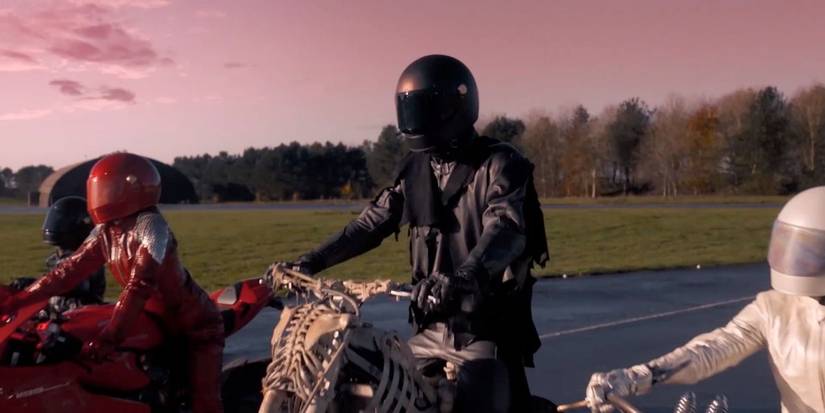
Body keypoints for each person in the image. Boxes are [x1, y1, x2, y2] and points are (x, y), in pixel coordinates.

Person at [287, 54, 549, 413]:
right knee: (380, 396)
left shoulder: (499, 164)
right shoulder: (417, 169)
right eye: (411, 110)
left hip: (482, 327)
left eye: (426, 108)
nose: (417, 121)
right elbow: (369, 224)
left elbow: (506, 227)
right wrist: (311, 261)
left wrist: (464, 276)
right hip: (427, 327)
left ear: (456, 106)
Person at [0, 153, 225, 413]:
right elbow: (66, 273)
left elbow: (139, 286)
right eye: (99, 188)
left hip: (192, 322)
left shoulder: (152, 228)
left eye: (106, 188)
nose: (100, 195)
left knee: (205, 403)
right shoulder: (108, 230)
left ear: (129, 189)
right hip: (146, 314)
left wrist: (109, 339)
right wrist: (18, 300)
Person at [585, 186, 825, 413]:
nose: (799, 260)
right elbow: (713, 349)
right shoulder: (773, 308)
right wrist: (637, 377)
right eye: (794, 248)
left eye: (812, 254)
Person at [9, 196, 107, 317]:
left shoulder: (84, 258)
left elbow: (68, 284)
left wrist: (32, 284)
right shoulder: (61, 255)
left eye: (61, 222)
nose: (56, 226)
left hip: (77, 316)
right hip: (58, 313)